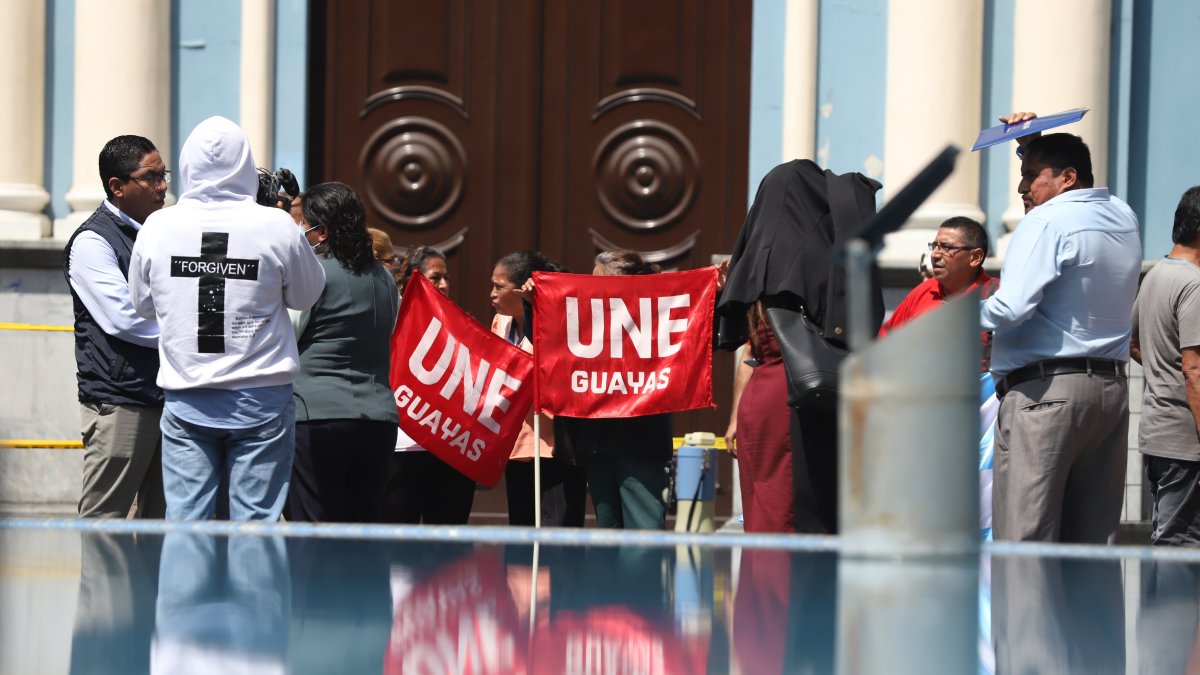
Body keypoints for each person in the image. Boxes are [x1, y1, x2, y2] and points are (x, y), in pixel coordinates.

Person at [128, 116, 326, 521]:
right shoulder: (276, 225)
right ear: (245, 164)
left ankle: (188, 587)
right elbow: (308, 294)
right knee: (255, 523)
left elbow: (143, 305)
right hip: (262, 398)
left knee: (187, 521)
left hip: (187, 394)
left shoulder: (158, 226)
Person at [982, 114, 1142, 543]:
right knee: (1089, 550)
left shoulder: (1045, 222)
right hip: (1108, 395)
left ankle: (1024, 617)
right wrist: (1032, 146)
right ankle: (1093, 617)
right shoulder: (1122, 216)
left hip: (1044, 395)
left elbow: (1012, 307)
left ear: (1067, 178)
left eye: (1031, 176)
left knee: (1025, 544)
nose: (1022, 188)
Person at [715, 159, 883, 534]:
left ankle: (762, 595)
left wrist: (733, 415)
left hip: (757, 402)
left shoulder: (755, 267)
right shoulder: (817, 267)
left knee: (762, 518)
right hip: (800, 399)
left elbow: (749, 351)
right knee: (794, 518)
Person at [63, 134, 168, 518]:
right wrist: (191, 333)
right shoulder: (93, 241)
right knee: (106, 523)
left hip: (168, 396)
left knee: (163, 524)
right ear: (117, 186)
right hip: (121, 401)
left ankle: (148, 584)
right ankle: (100, 583)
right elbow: (125, 319)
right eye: (152, 177)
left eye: (164, 174)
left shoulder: (160, 233)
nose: (163, 186)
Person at [287, 182, 400, 522]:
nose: (298, 231)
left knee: (314, 531)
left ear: (320, 231)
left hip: (315, 416)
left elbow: (288, 336)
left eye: (302, 223)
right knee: (364, 532)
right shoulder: (384, 277)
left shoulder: (312, 272)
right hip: (379, 418)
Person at [556, 250, 674, 530]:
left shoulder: (655, 317)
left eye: (599, 282)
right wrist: (533, 304)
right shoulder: (586, 317)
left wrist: (714, 294)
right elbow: (552, 341)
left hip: (639, 445)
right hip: (597, 445)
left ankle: (643, 578)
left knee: (642, 543)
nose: (591, 288)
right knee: (608, 538)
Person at [490, 251, 587, 527]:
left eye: (499, 286)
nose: (492, 294)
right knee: (522, 543)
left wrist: (538, 308)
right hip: (515, 444)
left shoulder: (558, 320)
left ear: (522, 290)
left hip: (553, 447)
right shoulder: (501, 323)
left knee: (558, 544)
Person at [382, 246, 477, 524]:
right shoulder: (390, 317)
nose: (445, 285)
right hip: (402, 450)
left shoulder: (459, 321)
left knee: (447, 553)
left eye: (446, 277)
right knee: (396, 548)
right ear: (413, 278)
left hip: (448, 451)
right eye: (436, 277)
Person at [1131, 186, 1200, 545]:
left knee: (1171, 538)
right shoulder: (1194, 284)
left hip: (1159, 435)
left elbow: (1133, 343)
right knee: (1181, 543)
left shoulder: (1156, 275)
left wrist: (1162, 372)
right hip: (1187, 442)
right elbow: (1194, 370)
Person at [880, 216, 998, 371]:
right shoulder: (922, 292)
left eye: (946, 247)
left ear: (975, 257)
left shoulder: (997, 294)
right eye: (934, 246)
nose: (934, 255)